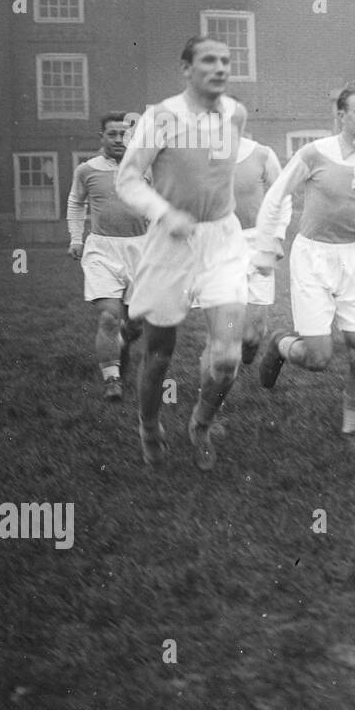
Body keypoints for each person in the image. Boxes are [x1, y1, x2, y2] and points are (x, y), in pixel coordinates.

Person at [116, 36, 249, 470]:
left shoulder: (236, 113)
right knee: (159, 350)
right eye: (209, 60)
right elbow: (129, 178)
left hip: (223, 244)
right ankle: (149, 427)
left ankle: (202, 422)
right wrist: (165, 212)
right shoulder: (162, 117)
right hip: (171, 243)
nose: (220, 68)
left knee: (227, 355)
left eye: (227, 61)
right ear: (186, 69)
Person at [252, 87, 355, 459]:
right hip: (313, 257)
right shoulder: (314, 153)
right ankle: (282, 345)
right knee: (318, 358)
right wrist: (267, 246)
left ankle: (351, 432)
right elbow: (276, 196)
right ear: (340, 115)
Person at [67, 112, 147, 401]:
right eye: (111, 134)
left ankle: (125, 335)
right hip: (102, 250)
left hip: (141, 249)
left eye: (123, 134)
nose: (117, 139)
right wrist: (76, 238)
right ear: (101, 137)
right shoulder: (86, 170)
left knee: (136, 321)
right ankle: (112, 380)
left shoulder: (145, 167)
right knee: (109, 317)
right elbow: (76, 204)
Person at [231, 125, 290, 365]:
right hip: (218, 245)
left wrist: (276, 238)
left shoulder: (262, 154)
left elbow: (282, 196)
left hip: (256, 243)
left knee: (252, 335)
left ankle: (249, 346)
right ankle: (224, 363)